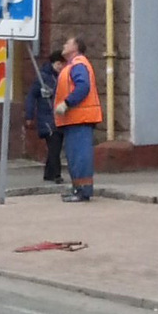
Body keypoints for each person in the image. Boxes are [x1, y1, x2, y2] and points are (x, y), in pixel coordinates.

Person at [54, 36, 103, 202]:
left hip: (80, 118)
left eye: (67, 43)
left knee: (80, 156)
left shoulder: (78, 64)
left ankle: (83, 191)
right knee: (74, 156)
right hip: (75, 119)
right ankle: (78, 189)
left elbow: (83, 87)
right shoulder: (72, 66)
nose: (64, 45)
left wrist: (67, 103)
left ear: (75, 47)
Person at [24, 50, 66, 183]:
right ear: (53, 63)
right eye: (59, 64)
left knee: (56, 146)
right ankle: (57, 175)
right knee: (54, 145)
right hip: (46, 118)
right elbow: (31, 96)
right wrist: (29, 115)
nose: (60, 66)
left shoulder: (61, 77)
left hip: (59, 117)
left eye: (62, 64)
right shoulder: (42, 78)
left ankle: (48, 174)